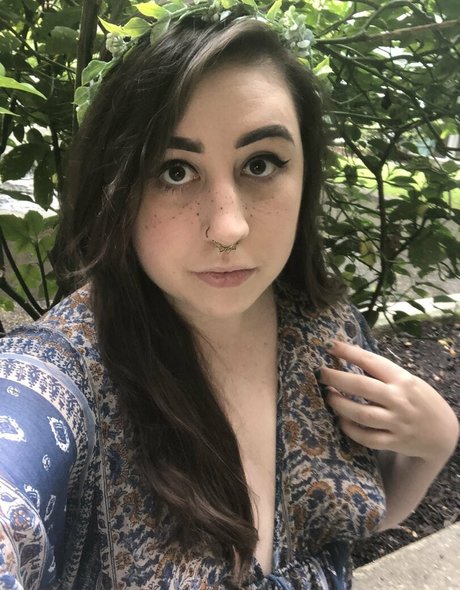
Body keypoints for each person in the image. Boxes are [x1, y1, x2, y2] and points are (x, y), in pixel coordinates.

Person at [0, 6, 458, 590]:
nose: (228, 227)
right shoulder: (61, 379)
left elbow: (354, 523)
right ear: (117, 189)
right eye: (174, 170)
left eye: (260, 164)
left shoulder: (326, 330)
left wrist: (433, 444)